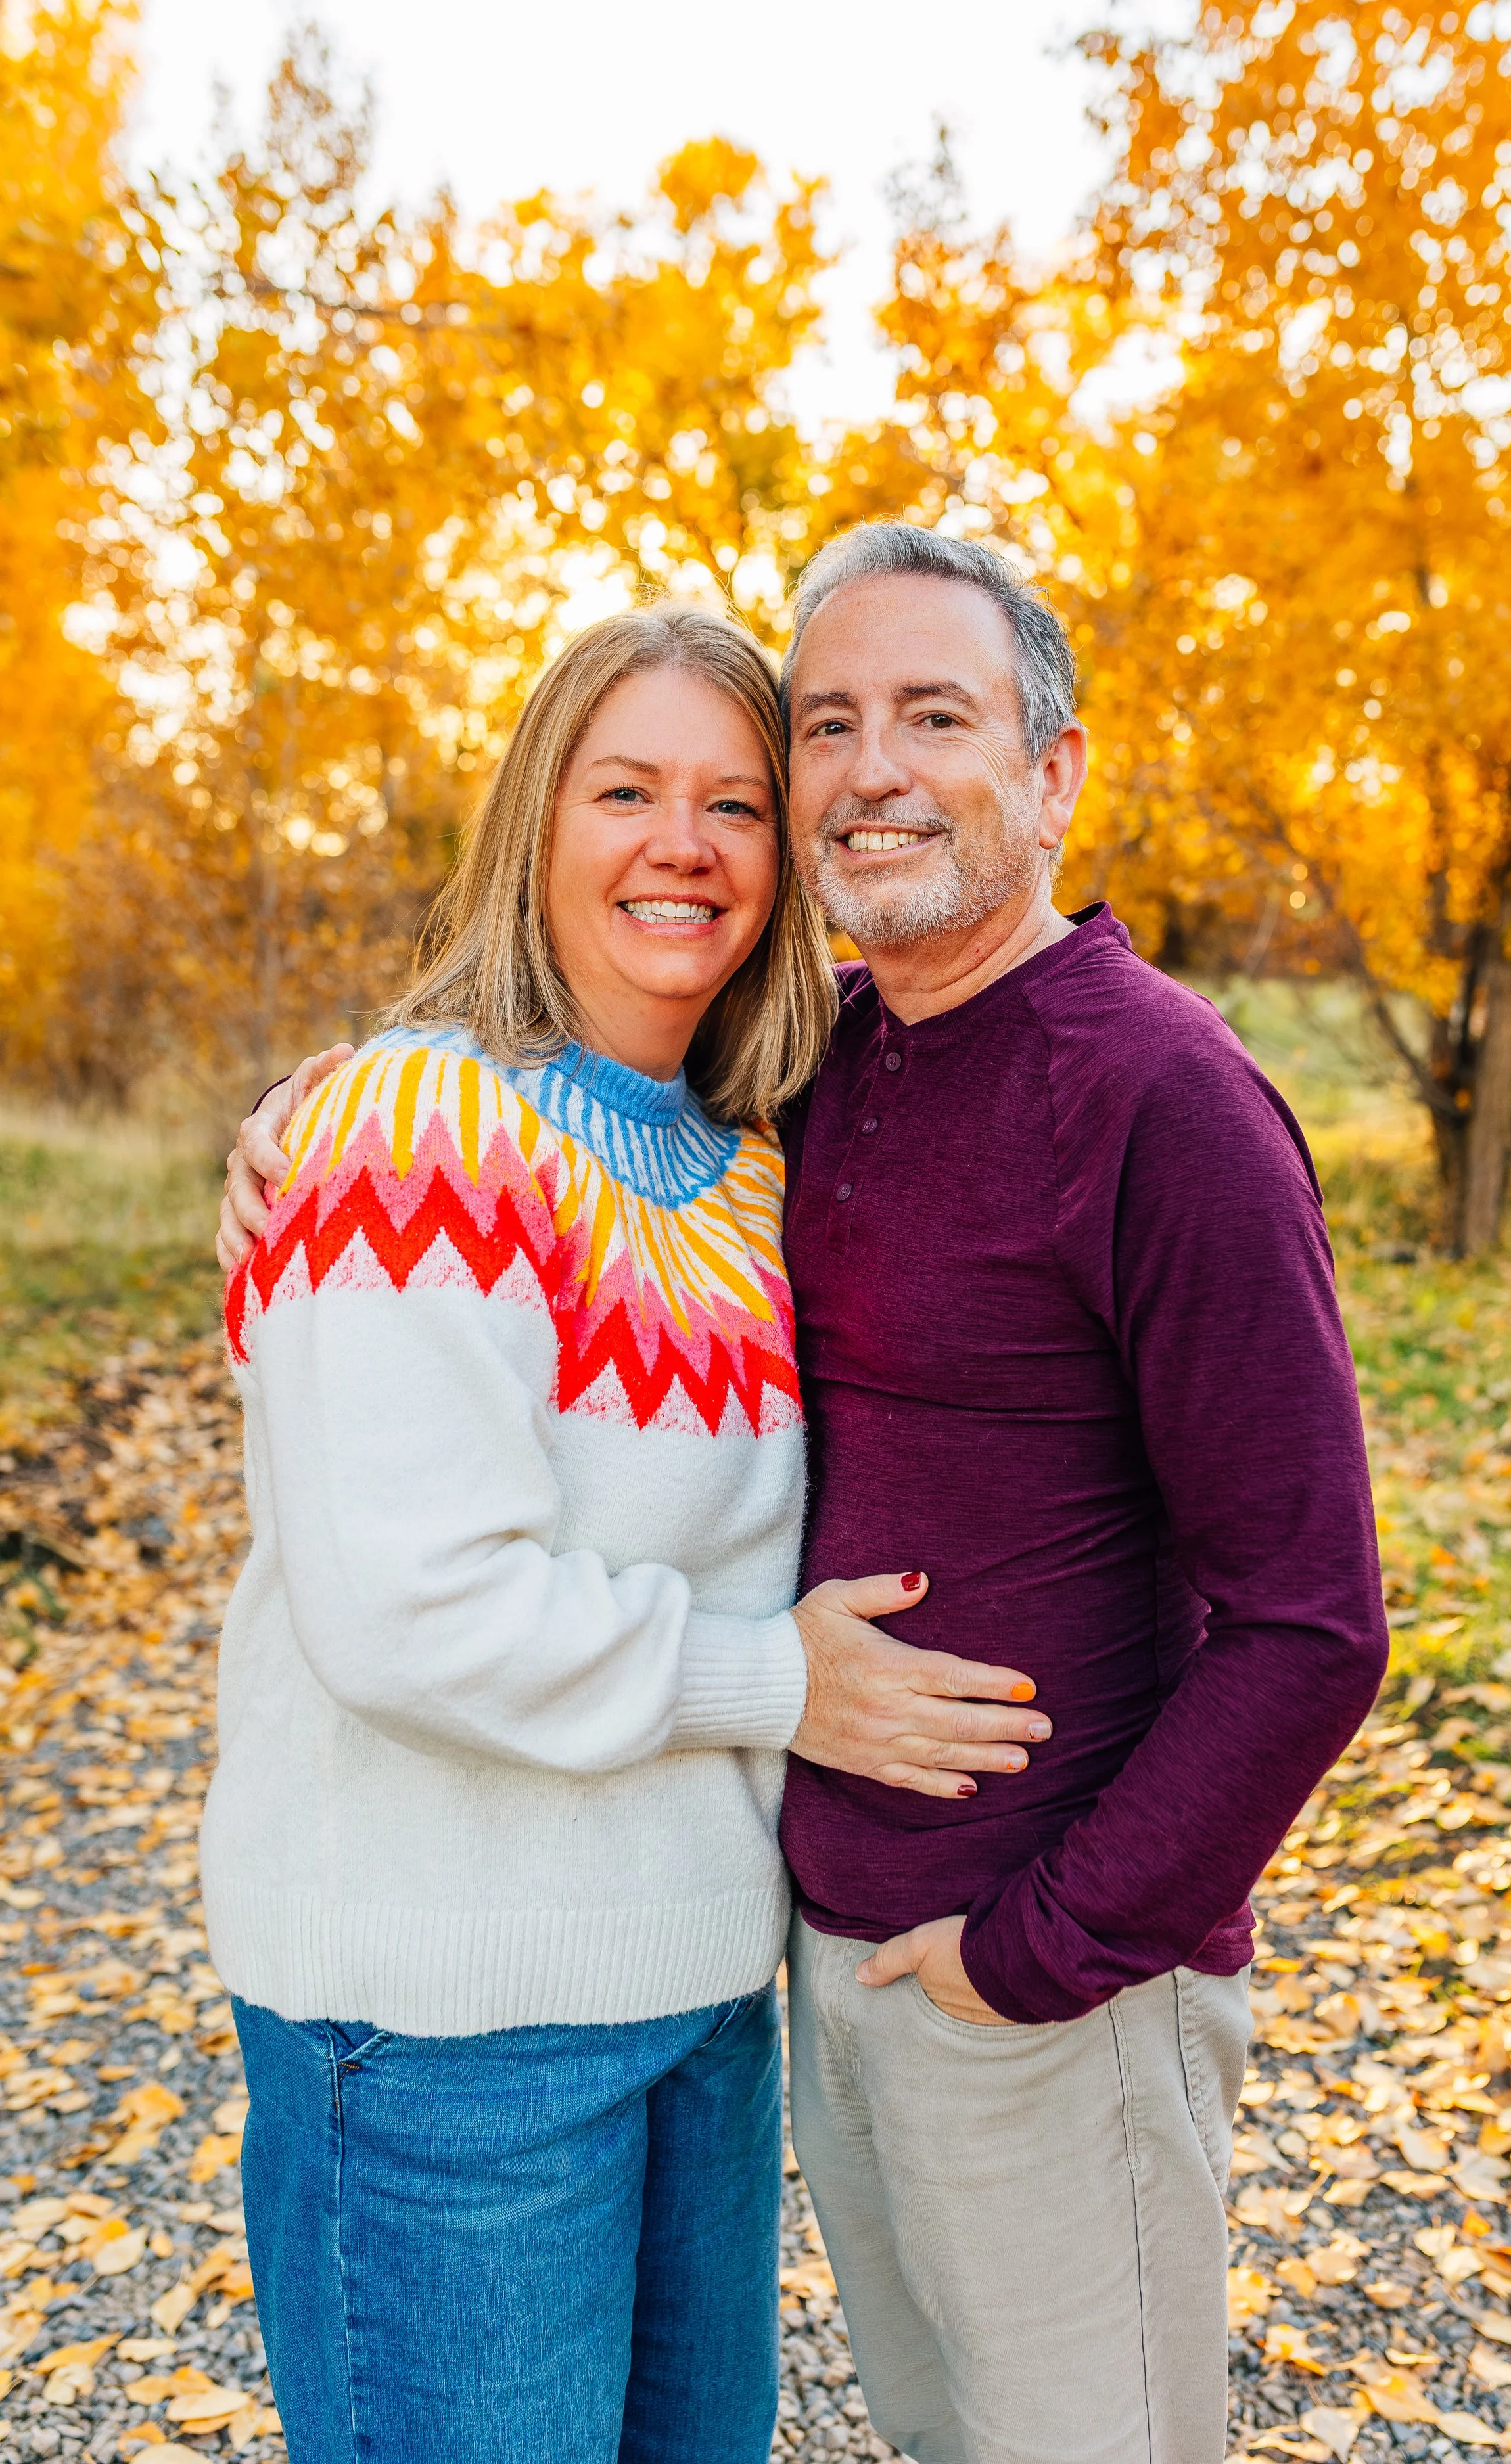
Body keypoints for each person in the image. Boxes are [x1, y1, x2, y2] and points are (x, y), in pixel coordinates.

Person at [224, 531, 1387, 2464]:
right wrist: (316, 1128)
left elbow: (1312, 1618)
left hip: (899, 1992)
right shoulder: (612, 1113)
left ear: (1052, 772)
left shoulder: (1012, 1113)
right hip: (595, 2012)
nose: (856, 775)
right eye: (821, 726)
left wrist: (1040, 1946)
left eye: (928, 717)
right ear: (538, 824)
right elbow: (412, 1551)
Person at [207, 599, 1052, 2464]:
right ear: (537, 823)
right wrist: (780, 1681)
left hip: (697, 1999)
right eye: (625, 790)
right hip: (443, 2036)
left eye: (738, 803)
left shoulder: (761, 1155)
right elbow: (409, 1609)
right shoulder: (408, 1129)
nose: (682, 843)